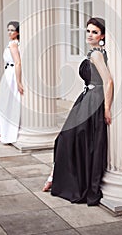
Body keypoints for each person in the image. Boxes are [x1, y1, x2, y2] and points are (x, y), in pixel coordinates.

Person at [42, 17, 113, 206]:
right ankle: (55, 177)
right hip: (87, 98)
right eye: (88, 31)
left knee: (67, 138)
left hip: (93, 101)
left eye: (95, 32)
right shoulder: (97, 52)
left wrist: (106, 108)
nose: (90, 35)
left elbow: (109, 81)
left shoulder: (97, 54)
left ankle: (58, 179)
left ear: (102, 36)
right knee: (66, 138)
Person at [0, 21, 24, 144]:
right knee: (4, 102)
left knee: (6, 103)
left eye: (12, 30)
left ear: (18, 32)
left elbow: (18, 63)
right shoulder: (15, 43)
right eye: (8, 30)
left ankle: (4, 132)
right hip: (9, 73)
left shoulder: (14, 44)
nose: (9, 32)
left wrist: (18, 82)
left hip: (12, 75)